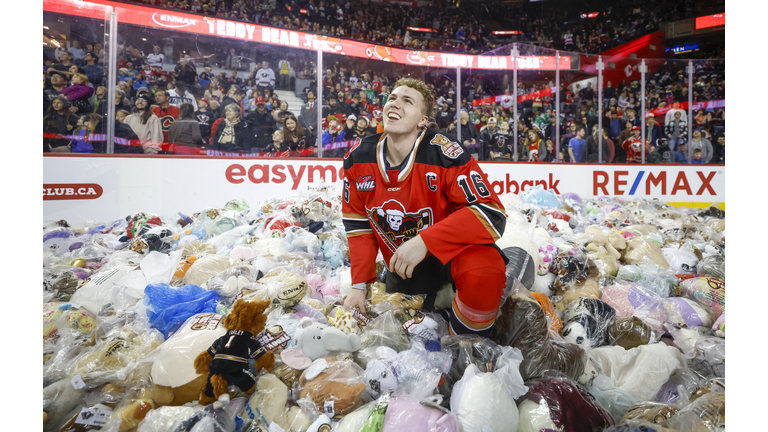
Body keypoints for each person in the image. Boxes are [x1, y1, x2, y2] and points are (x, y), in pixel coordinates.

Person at [341, 77, 508, 337]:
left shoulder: (445, 152)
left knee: (485, 267)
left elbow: (492, 214)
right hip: (403, 272)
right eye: (392, 98)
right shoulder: (357, 159)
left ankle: (466, 346)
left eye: (407, 101)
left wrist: (425, 242)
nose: (395, 104)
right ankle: (438, 309)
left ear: (423, 121)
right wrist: (358, 286)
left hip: (449, 262)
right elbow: (358, 226)